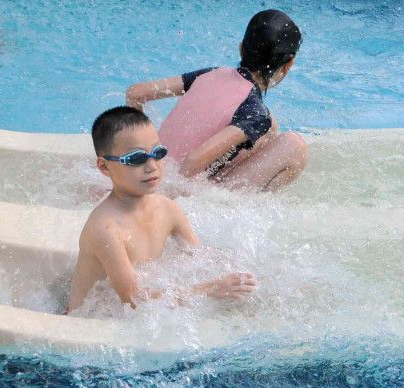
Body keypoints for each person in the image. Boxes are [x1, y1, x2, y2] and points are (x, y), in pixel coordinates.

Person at [67, 106, 255, 313]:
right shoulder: (105, 229)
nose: (152, 166)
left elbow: (199, 258)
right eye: (136, 158)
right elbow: (134, 300)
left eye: (158, 153)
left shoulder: (167, 208)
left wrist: (237, 275)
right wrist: (209, 289)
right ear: (105, 166)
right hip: (89, 320)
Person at [125, 9, 308, 192]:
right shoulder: (255, 113)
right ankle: (255, 203)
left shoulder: (210, 74)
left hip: (153, 168)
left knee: (270, 128)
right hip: (169, 190)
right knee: (294, 146)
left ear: (241, 47)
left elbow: (136, 93)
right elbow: (192, 161)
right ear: (288, 65)